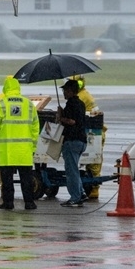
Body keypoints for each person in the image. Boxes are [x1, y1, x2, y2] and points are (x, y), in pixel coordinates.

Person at [0, 76, 40, 210]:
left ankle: (8, 203)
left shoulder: (1, 103)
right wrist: (33, 146)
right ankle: (29, 202)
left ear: (5, 88)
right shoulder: (29, 104)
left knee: (7, 179)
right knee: (26, 179)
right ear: (18, 88)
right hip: (24, 150)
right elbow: (35, 128)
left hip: (6, 150)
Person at [58, 79, 87, 207]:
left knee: (71, 171)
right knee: (75, 168)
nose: (63, 93)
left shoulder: (71, 104)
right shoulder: (81, 103)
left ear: (70, 91)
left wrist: (60, 118)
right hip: (82, 141)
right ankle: (81, 193)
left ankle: (75, 197)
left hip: (72, 140)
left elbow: (72, 121)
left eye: (65, 90)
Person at [74, 75, 103, 200]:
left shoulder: (81, 97)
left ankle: (94, 189)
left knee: (93, 163)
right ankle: (93, 188)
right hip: (96, 130)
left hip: (92, 132)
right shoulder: (85, 93)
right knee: (94, 162)